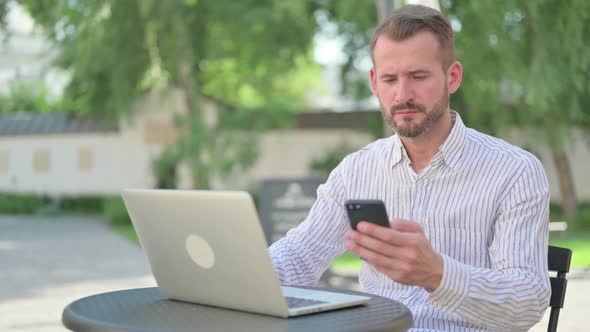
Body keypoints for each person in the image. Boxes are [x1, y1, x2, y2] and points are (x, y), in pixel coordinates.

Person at [269, 4, 551, 331]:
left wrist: (438, 273)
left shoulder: (514, 172)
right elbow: (298, 258)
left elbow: (525, 305)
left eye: (418, 76)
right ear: (375, 83)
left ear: (452, 77)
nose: (403, 95)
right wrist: (230, 273)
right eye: (390, 79)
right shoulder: (355, 171)